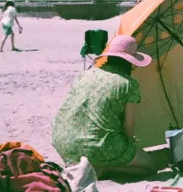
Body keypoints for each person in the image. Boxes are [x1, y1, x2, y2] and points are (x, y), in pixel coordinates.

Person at [52, 35, 169, 179]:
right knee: (149, 167)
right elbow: (129, 125)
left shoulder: (86, 75)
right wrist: (129, 144)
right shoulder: (128, 83)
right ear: (131, 61)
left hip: (64, 143)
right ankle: (105, 170)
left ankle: (91, 164)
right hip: (98, 146)